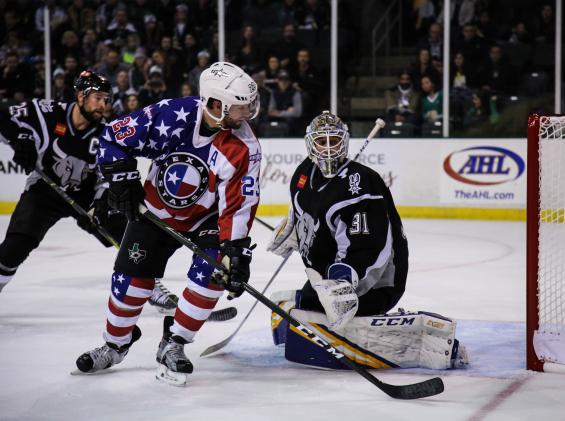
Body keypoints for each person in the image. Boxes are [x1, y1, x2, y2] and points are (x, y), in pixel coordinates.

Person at [75, 62, 262, 386]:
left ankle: (173, 343)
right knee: (130, 284)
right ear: (216, 105)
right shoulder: (172, 116)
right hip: (155, 214)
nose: (248, 113)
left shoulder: (244, 146)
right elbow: (112, 136)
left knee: (213, 273)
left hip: (206, 220)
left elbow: (239, 204)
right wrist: (122, 178)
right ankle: (115, 344)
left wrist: (235, 249)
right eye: (241, 106)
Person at [267, 111, 467, 370]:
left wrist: (343, 283)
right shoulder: (304, 173)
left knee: (310, 309)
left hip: (374, 282)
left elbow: (369, 248)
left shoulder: (364, 186)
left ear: (345, 142)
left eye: (334, 141)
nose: (328, 148)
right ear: (310, 144)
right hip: (328, 279)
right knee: (292, 306)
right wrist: (294, 231)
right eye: (322, 142)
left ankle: (430, 343)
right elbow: (304, 212)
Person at [0, 70, 175, 308]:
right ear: (80, 96)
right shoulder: (49, 113)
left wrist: (101, 202)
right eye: (98, 98)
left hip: (86, 196)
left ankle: (149, 285)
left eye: (107, 99)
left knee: (125, 233)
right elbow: (5, 116)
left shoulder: (107, 132)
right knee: (15, 248)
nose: (104, 104)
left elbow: (107, 176)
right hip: (44, 191)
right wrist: (20, 138)